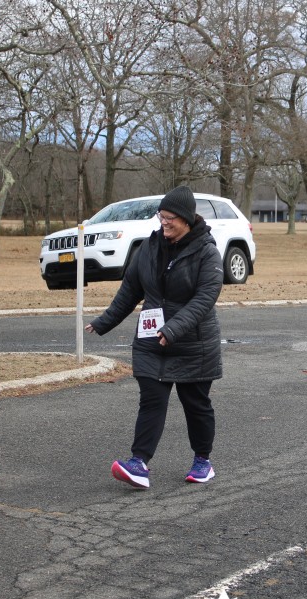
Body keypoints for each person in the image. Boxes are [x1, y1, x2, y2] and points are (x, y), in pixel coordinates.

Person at [85, 185, 223, 489]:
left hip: (193, 344)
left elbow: (205, 298)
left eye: (171, 218)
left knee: (196, 404)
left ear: (187, 219)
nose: (165, 222)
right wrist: (104, 321)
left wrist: (173, 328)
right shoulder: (149, 248)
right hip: (151, 341)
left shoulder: (207, 252)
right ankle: (139, 463)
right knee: (151, 400)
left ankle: (203, 461)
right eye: (162, 216)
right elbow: (130, 290)